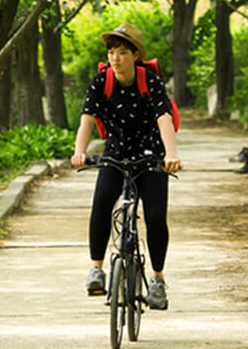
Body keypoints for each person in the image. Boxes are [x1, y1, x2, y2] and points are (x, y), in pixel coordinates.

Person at [71, 21, 182, 310]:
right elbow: (86, 118)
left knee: (156, 216)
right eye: (111, 52)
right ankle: (97, 269)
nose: (115, 58)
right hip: (116, 154)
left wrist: (171, 154)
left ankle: (157, 279)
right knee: (102, 202)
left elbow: (164, 119)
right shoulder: (102, 82)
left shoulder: (150, 81)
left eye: (122, 52)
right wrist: (79, 152)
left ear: (135, 55)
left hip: (151, 155)